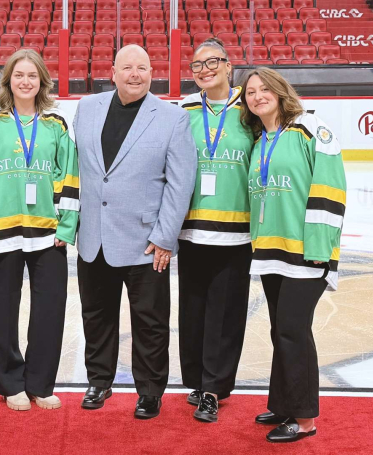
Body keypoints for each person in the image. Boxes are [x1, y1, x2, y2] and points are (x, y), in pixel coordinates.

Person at [74, 44, 197, 419]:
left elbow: (181, 182)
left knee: (150, 322)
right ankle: (99, 381)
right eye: (127, 67)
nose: (135, 74)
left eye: (142, 68)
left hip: (146, 241)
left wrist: (165, 235)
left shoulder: (171, 118)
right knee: (96, 316)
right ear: (112, 72)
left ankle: (149, 391)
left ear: (151, 72)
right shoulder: (86, 109)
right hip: (94, 236)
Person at [239, 67, 346, 443]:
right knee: (280, 330)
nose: (257, 96)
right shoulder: (260, 139)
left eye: (265, 88)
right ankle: (283, 403)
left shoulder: (310, 128)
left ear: (281, 91)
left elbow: (330, 188)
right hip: (271, 252)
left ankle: (304, 420)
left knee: (292, 330)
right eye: (250, 91)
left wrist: (319, 247)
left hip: (306, 251)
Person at [0, 49, 79, 411]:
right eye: (19, 75)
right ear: (8, 80)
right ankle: (10, 383)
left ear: (42, 81)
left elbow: (69, 175)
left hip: (47, 232)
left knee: (49, 310)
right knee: (2, 311)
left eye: (32, 76)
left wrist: (66, 226)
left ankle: (40, 382)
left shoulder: (56, 123)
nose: (25, 81)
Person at [177, 37, 254, 423]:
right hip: (191, 232)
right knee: (193, 312)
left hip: (236, 234)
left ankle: (213, 389)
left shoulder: (250, 109)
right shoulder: (184, 109)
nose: (204, 70)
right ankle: (196, 380)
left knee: (224, 316)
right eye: (196, 65)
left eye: (212, 63)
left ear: (228, 65)